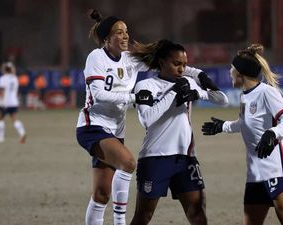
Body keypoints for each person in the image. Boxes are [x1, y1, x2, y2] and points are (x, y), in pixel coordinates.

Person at [76, 10, 207, 225]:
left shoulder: (130, 59)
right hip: (93, 125)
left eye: (126, 31)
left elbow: (165, 62)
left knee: (101, 195)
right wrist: (133, 97)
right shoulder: (96, 57)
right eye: (119, 32)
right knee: (127, 163)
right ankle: (120, 222)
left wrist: (196, 73)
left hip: (115, 130)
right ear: (107, 38)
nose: (126, 36)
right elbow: (98, 94)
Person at [129, 39, 228, 225]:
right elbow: (146, 118)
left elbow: (222, 99)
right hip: (155, 158)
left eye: (184, 65)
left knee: (198, 214)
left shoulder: (188, 82)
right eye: (176, 64)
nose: (181, 69)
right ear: (161, 62)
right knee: (143, 217)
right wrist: (173, 92)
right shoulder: (146, 86)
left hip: (186, 158)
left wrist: (200, 83)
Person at [201, 44, 283, 225]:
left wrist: (272, 133)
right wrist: (223, 126)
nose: (229, 72)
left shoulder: (267, 93)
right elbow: (244, 124)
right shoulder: (245, 96)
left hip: (277, 171)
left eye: (232, 69)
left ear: (240, 74)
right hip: (255, 174)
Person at [0, 62, 27, 144]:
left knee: (0, 118)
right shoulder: (15, 78)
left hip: (5, 101)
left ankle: (1, 137)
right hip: (14, 101)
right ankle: (22, 133)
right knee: (14, 118)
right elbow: (16, 92)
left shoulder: (2, 78)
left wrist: (2, 101)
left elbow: (2, 90)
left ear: (5, 69)